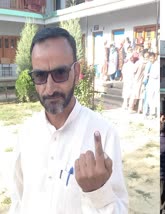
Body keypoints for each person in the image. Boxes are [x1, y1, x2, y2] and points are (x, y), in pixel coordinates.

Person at [9, 27, 128, 213]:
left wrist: (98, 191)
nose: (49, 88)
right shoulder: (27, 132)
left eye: (60, 73)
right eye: (40, 76)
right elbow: (18, 201)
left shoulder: (104, 134)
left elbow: (120, 209)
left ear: (76, 72)